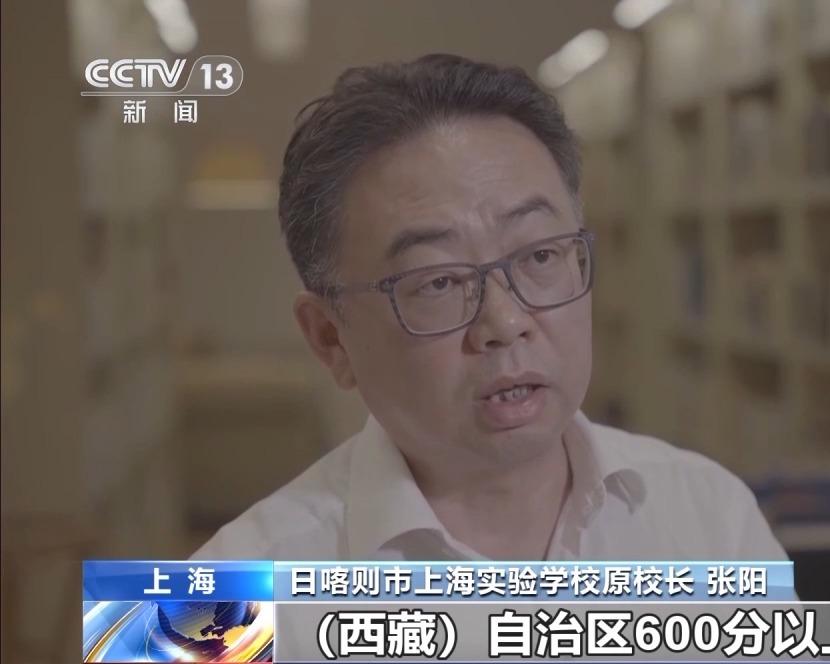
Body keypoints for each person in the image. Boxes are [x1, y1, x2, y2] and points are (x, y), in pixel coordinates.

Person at [194, 54, 786, 562]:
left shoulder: (711, 519)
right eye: (438, 281)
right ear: (330, 338)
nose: (505, 323)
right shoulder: (221, 597)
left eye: (540, 255)